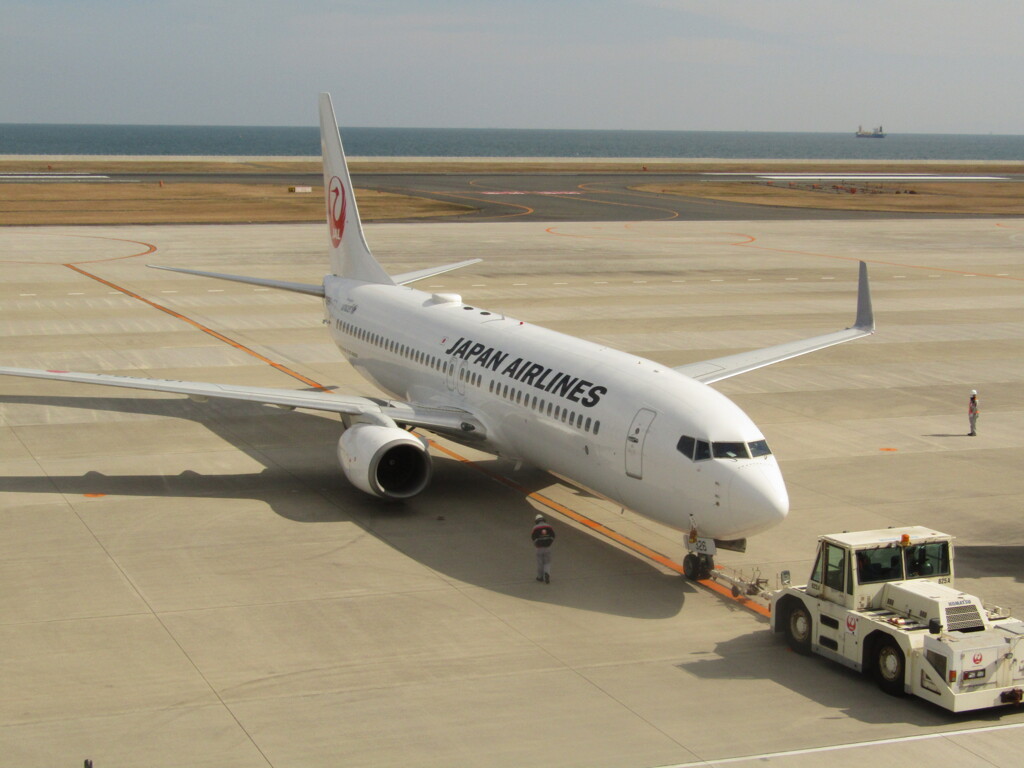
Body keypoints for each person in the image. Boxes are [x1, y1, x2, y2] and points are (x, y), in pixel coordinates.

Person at [531, 513, 555, 583]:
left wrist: (537, 543)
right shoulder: (549, 527)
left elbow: (533, 537)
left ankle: (540, 577)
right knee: (547, 562)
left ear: (536, 521)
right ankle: (547, 573)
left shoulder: (535, 528)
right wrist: (549, 542)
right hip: (547, 547)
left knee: (540, 563)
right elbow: (553, 536)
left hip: (539, 548)